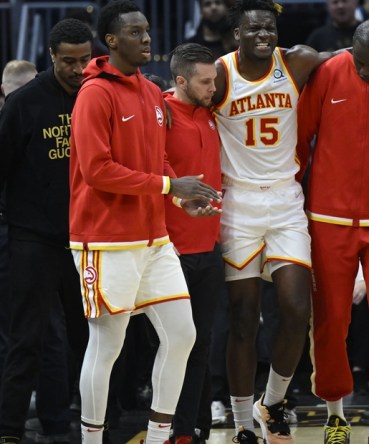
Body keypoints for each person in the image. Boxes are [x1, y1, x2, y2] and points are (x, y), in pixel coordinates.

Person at [69, 2, 222, 444]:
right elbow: (97, 171)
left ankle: (159, 437)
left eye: (148, 31)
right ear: (111, 41)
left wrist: (179, 197)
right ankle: (92, 439)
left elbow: (157, 162)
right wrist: (167, 186)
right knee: (107, 345)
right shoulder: (94, 94)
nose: (147, 38)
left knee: (183, 334)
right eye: (135, 32)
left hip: (154, 237)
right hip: (106, 239)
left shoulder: (152, 92)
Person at [210, 0, 340, 442]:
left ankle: (273, 401)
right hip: (238, 204)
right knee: (244, 320)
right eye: (254, 29)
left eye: (269, 27)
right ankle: (243, 422)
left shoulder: (297, 60)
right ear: (237, 36)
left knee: (296, 309)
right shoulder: (221, 73)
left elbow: (345, 59)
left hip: (286, 200)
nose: (264, 34)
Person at [296, 19, 369, 444]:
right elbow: (301, 137)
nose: (365, 72)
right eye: (360, 63)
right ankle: (335, 415)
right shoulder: (328, 73)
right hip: (328, 219)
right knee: (330, 320)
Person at [0, 18, 93, 444]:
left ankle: (79, 424)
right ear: (51, 57)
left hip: (86, 238)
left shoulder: (96, 96)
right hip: (33, 240)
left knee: (90, 340)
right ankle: (10, 430)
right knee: (26, 341)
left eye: (84, 60)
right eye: (68, 61)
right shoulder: (23, 103)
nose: (77, 69)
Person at [163, 43, 224, 444]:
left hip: (210, 246)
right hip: (172, 250)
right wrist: (178, 198)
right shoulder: (163, 113)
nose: (213, 87)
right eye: (205, 82)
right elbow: (155, 164)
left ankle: (191, 429)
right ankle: (168, 426)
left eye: (215, 79)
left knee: (202, 345)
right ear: (181, 80)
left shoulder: (211, 113)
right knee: (173, 348)